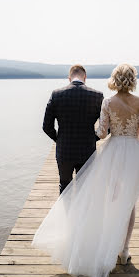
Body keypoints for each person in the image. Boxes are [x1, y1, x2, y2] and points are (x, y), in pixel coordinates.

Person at [31, 63, 139, 277]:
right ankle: (123, 250)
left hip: (109, 151)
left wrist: (68, 138)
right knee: (129, 200)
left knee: (107, 196)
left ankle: (89, 238)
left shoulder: (105, 101)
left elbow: (102, 133)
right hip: (133, 152)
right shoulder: (138, 101)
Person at [42, 64, 104, 194]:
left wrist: (59, 138)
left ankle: (64, 214)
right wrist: (94, 138)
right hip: (87, 150)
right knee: (85, 189)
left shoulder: (56, 94)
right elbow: (107, 126)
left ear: (69, 78)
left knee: (64, 187)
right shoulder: (97, 96)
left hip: (64, 150)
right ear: (85, 77)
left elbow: (46, 126)